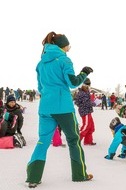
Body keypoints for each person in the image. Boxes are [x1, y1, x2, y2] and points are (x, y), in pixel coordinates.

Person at [26, 31, 94, 188]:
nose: (69, 48)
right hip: (63, 107)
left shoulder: (41, 63)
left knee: (43, 141)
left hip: (45, 107)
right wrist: (84, 72)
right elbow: (73, 82)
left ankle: (33, 178)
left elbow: (40, 87)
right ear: (64, 45)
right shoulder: (64, 60)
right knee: (73, 140)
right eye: (69, 45)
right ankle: (79, 174)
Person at [74, 78, 97, 145]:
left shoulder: (85, 92)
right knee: (86, 126)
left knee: (91, 127)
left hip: (88, 111)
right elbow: (86, 103)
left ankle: (88, 141)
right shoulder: (82, 93)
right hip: (85, 111)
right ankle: (77, 140)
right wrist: (94, 103)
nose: (89, 87)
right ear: (84, 85)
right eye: (88, 86)